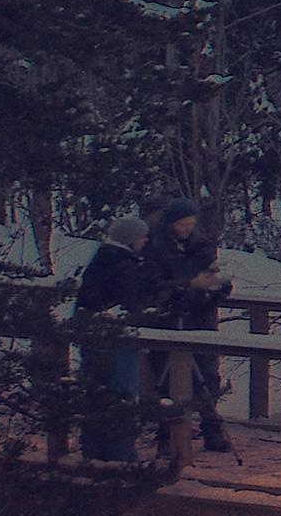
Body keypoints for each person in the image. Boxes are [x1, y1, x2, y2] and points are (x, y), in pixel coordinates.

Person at [146, 197, 232, 453]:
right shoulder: (155, 248)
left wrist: (217, 287)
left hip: (200, 319)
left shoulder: (202, 246)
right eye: (183, 223)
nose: (187, 228)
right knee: (166, 380)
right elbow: (153, 286)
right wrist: (187, 287)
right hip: (168, 321)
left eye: (190, 224)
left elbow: (212, 277)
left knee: (206, 375)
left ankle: (211, 428)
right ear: (171, 223)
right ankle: (167, 434)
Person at [70, 217, 153, 462]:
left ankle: (93, 451)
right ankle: (120, 456)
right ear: (130, 240)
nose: (145, 241)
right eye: (142, 237)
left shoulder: (101, 260)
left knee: (96, 391)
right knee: (121, 394)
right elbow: (131, 303)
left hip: (92, 336)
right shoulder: (124, 265)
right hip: (116, 340)